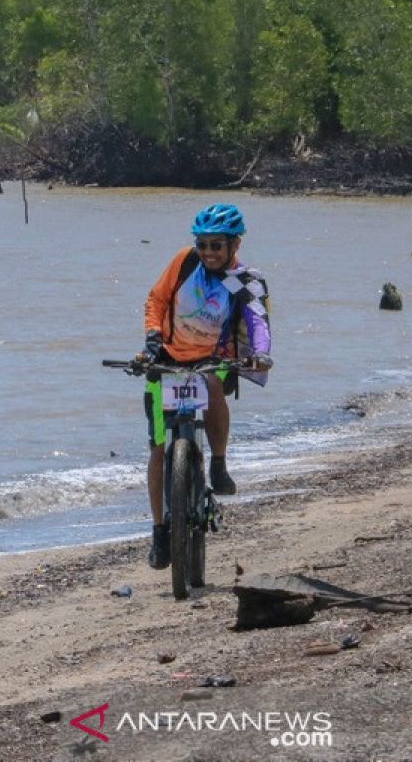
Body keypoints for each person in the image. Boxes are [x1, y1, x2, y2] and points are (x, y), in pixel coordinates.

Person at [138, 204, 272, 570]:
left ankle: (218, 463)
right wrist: (152, 338)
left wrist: (260, 354)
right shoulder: (184, 262)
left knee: (211, 382)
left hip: (217, 361)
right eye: (203, 244)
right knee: (157, 448)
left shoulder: (244, 281)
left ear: (235, 245)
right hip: (167, 358)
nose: (209, 253)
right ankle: (159, 531)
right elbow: (157, 299)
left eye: (217, 246)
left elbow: (257, 320)